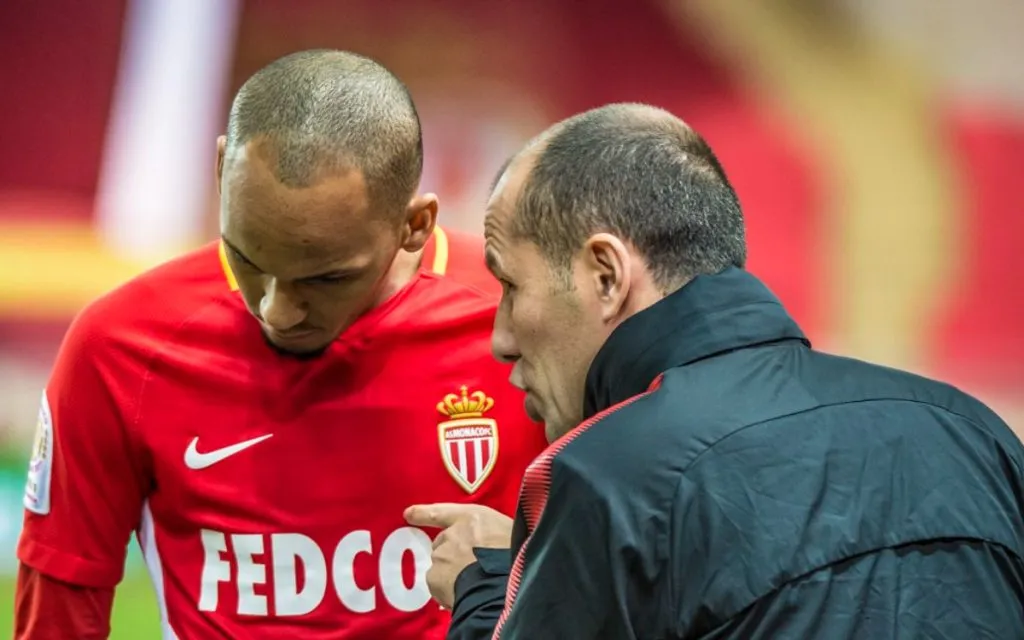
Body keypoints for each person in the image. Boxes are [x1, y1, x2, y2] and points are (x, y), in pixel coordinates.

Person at [405, 102, 1024, 639]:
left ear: (606, 274)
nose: (501, 338)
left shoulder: (608, 477)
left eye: (511, 285)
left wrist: (488, 589)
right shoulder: (973, 432)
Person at [13, 49, 548, 639]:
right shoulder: (119, 350)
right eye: (247, 260)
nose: (276, 310)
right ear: (221, 170)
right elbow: (59, 609)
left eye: (326, 278)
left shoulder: (523, 322)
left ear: (414, 225)